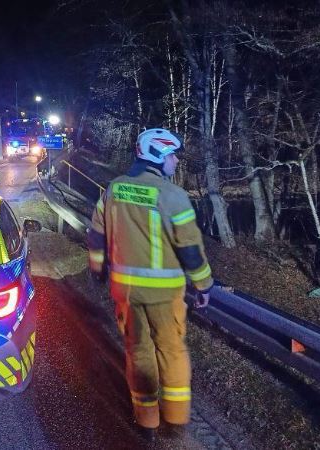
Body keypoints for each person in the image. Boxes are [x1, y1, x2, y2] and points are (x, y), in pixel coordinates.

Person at [88, 128, 213, 439]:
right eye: (172, 155)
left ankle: (147, 423)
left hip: (126, 292)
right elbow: (190, 248)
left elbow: (97, 234)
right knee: (171, 351)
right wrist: (204, 285)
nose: (176, 161)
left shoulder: (115, 189)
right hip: (164, 294)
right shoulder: (173, 196)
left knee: (138, 353)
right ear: (157, 156)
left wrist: (97, 269)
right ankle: (176, 419)